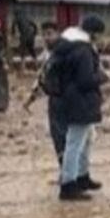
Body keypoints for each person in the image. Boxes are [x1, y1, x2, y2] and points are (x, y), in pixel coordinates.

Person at [52, 16, 105, 201]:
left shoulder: (68, 44)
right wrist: (101, 77)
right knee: (75, 143)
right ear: (93, 33)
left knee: (87, 138)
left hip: (70, 98)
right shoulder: (82, 50)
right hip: (80, 101)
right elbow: (85, 80)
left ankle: (82, 176)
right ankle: (68, 184)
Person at [23, 24, 65, 164]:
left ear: (58, 33)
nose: (46, 38)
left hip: (65, 99)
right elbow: (42, 79)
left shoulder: (63, 52)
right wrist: (30, 100)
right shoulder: (48, 54)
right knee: (58, 137)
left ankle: (70, 173)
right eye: (44, 34)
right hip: (54, 99)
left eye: (50, 34)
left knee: (65, 137)